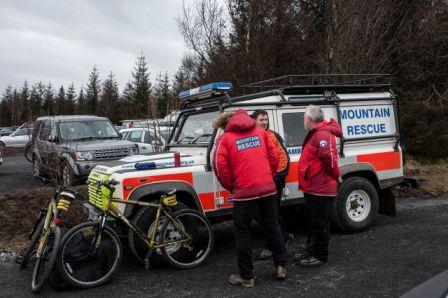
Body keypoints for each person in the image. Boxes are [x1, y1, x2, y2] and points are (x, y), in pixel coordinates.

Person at [212, 109, 287, 288]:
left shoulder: (224, 139)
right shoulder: (261, 133)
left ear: (225, 124)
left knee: (243, 233)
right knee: (272, 225)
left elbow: (220, 168)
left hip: (243, 192)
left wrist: (233, 187)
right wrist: (267, 177)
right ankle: (280, 266)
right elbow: (274, 158)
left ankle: (246, 276)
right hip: (268, 188)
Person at [295, 105, 343, 267]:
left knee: (320, 222)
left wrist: (336, 176)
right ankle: (311, 250)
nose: (303, 119)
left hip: (320, 187)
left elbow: (329, 159)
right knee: (313, 221)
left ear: (309, 119)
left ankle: (320, 255)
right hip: (313, 186)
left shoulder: (322, 134)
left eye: (304, 117)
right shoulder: (316, 133)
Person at [251, 110, 294, 260]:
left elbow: (283, 159)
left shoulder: (272, 136)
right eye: (261, 119)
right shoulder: (253, 137)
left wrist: (276, 177)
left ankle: (273, 245)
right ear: (254, 120)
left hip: (274, 180)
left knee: (270, 213)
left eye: (265, 119)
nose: (264, 122)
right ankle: (283, 236)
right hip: (260, 181)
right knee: (261, 213)